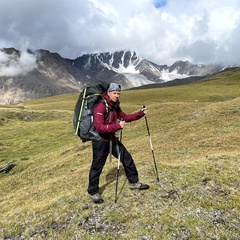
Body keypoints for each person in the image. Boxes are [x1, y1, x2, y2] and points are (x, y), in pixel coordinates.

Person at [87, 82, 149, 204]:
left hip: (111, 138)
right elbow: (98, 127)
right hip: (100, 141)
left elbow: (125, 117)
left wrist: (140, 114)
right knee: (97, 166)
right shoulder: (100, 106)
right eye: (114, 93)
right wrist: (117, 126)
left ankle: (134, 182)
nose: (116, 95)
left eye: (118, 93)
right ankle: (93, 191)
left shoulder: (115, 105)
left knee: (126, 157)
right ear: (108, 93)